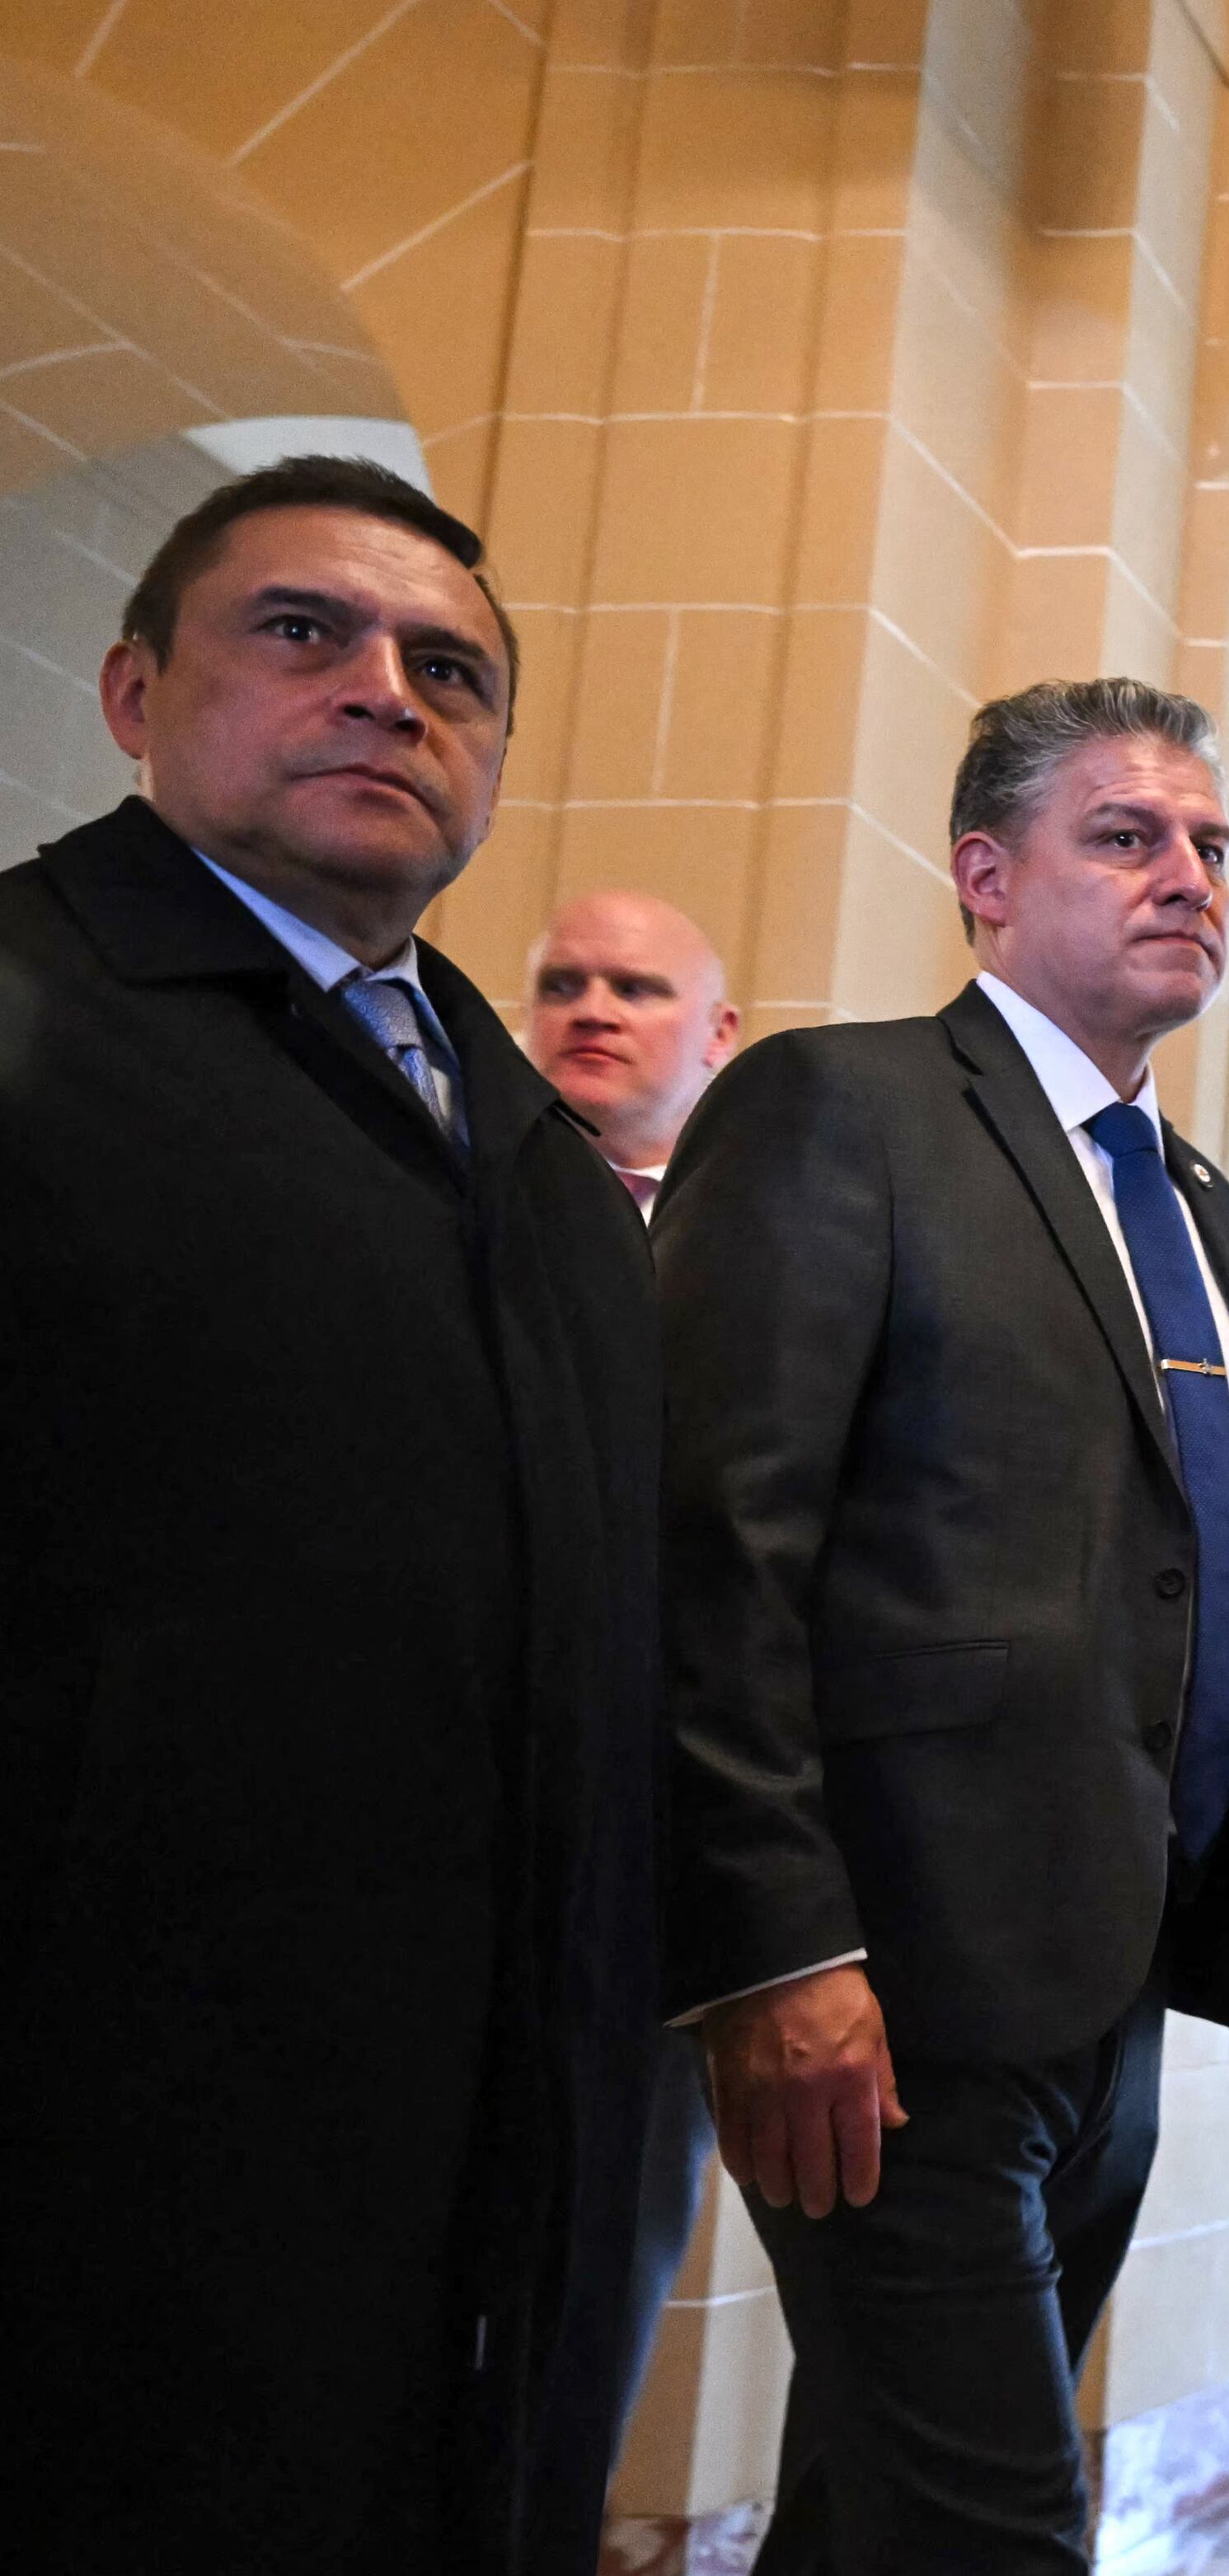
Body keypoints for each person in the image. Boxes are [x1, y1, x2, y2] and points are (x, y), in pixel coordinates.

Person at [658, 676, 1229, 2573]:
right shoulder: (843, 1110)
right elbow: (708, 1549)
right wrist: (773, 1949)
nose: (1188, 876)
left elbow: (1209, 1577)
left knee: (873, 2517)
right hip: (890, 1991)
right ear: (985, 878)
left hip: (1118, 2000)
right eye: (1126, 836)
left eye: (1208, 844)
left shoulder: (1206, 1215)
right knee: (999, 2533)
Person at [0, 455, 663, 2575]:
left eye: (449, 669)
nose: (388, 691)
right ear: (133, 692)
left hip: (483, 2135)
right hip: (99, 2129)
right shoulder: (30, 1012)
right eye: (304, 634)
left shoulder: (541, 1161)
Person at [520, 888, 743, 2447]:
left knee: (589, 2289)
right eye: (564, 981)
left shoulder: (768, 1259)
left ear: (718, 1038)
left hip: (657, 1866)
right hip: (429, 1837)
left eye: (639, 987)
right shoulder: (448, 1203)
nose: (594, 1006)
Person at [524, 886, 740, 1212]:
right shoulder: (461, 1186)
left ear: (719, 1034)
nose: (592, 1012)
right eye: (560, 987)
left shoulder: (774, 1207)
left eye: (633, 990)